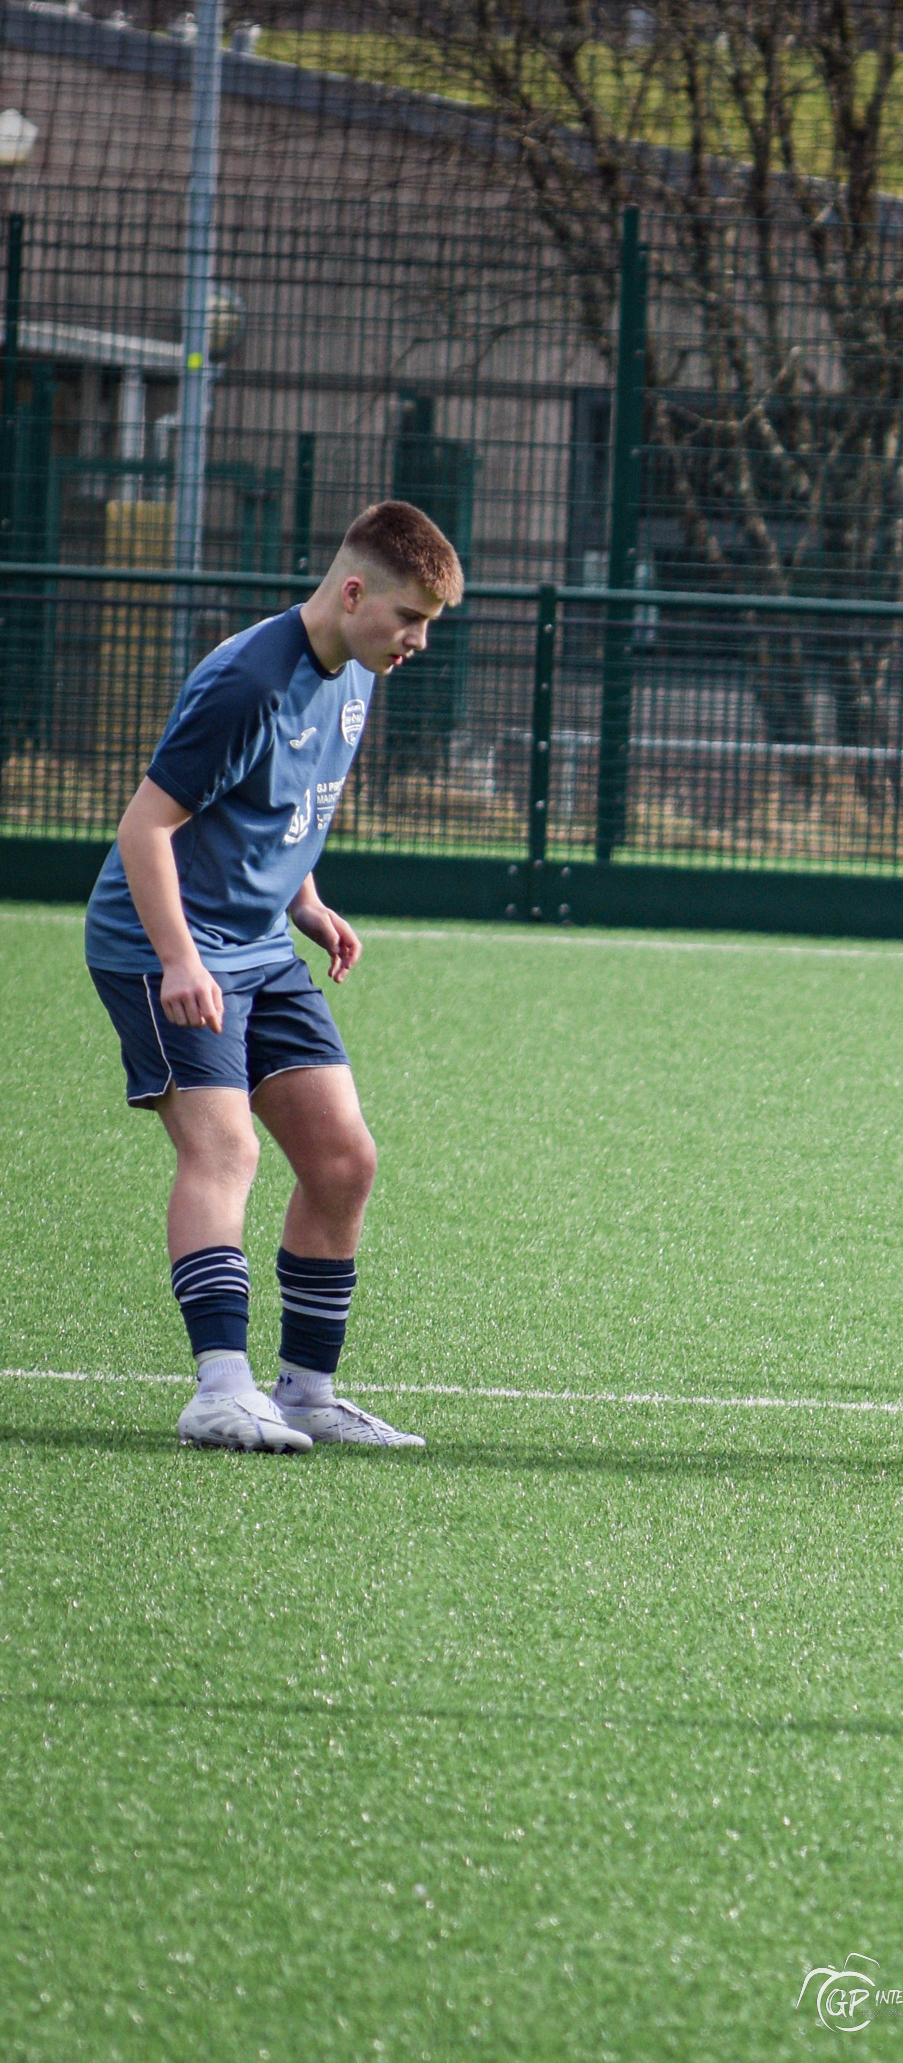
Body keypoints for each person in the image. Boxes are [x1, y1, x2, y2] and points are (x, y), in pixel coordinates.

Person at [84, 500, 463, 1453]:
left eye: (428, 624)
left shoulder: (359, 670)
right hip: (161, 942)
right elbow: (145, 829)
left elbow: (284, 805)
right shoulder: (248, 681)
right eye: (410, 618)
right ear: (353, 593)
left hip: (258, 941)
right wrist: (180, 959)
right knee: (227, 1153)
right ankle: (219, 1390)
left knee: (343, 1160)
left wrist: (306, 902)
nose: (418, 641)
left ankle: (306, 1396)